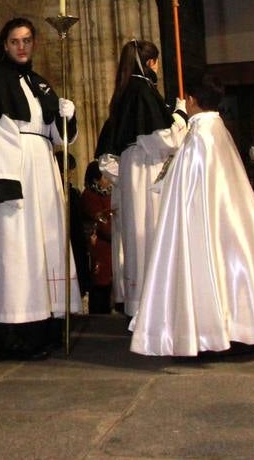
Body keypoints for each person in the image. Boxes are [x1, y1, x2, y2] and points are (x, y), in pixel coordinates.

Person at [131, 75, 254, 356]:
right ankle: (240, 325)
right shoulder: (217, 129)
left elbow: (186, 182)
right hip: (228, 216)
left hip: (202, 218)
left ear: (191, 100)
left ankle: (209, 330)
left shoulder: (200, 134)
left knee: (208, 263)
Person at [0, 17, 80, 361]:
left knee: (44, 246)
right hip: (18, 173)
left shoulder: (40, 84)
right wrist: (7, 185)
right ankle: (17, 333)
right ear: (4, 45)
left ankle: (46, 325)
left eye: (27, 40)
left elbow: (61, 139)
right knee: (18, 249)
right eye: (15, 41)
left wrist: (66, 117)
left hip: (43, 165)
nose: (22, 46)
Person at [93, 39, 186, 317]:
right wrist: (180, 116)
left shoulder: (123, 95)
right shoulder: (143, 91)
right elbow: (164, 140)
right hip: (146, 171)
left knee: (135, 237)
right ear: (150, 63)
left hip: (131, 173)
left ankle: (137, 301)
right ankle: (155, 301)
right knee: (151, 231)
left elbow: (109, 156)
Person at [79, 161, 114, 314]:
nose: (108, 181)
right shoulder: (89, 195)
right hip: (99, 245)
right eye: (105, 177)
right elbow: (100, 221)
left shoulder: (111, 194)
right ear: (95, 179)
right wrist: (114, 232)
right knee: (100, 283)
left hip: (109, 245)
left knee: (108, 283)